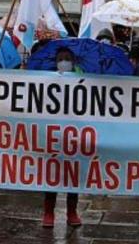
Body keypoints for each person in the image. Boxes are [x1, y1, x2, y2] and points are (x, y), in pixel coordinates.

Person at [42, 47, 82, 228]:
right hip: (53, 135)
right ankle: (48, 212)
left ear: (73, 62)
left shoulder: (83, 81)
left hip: (75, 135)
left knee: (73, 176)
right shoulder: (46, 80)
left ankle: (72, 212)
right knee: (52, 174)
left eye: (67, 58)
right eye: (60, 58)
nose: (64, 61)